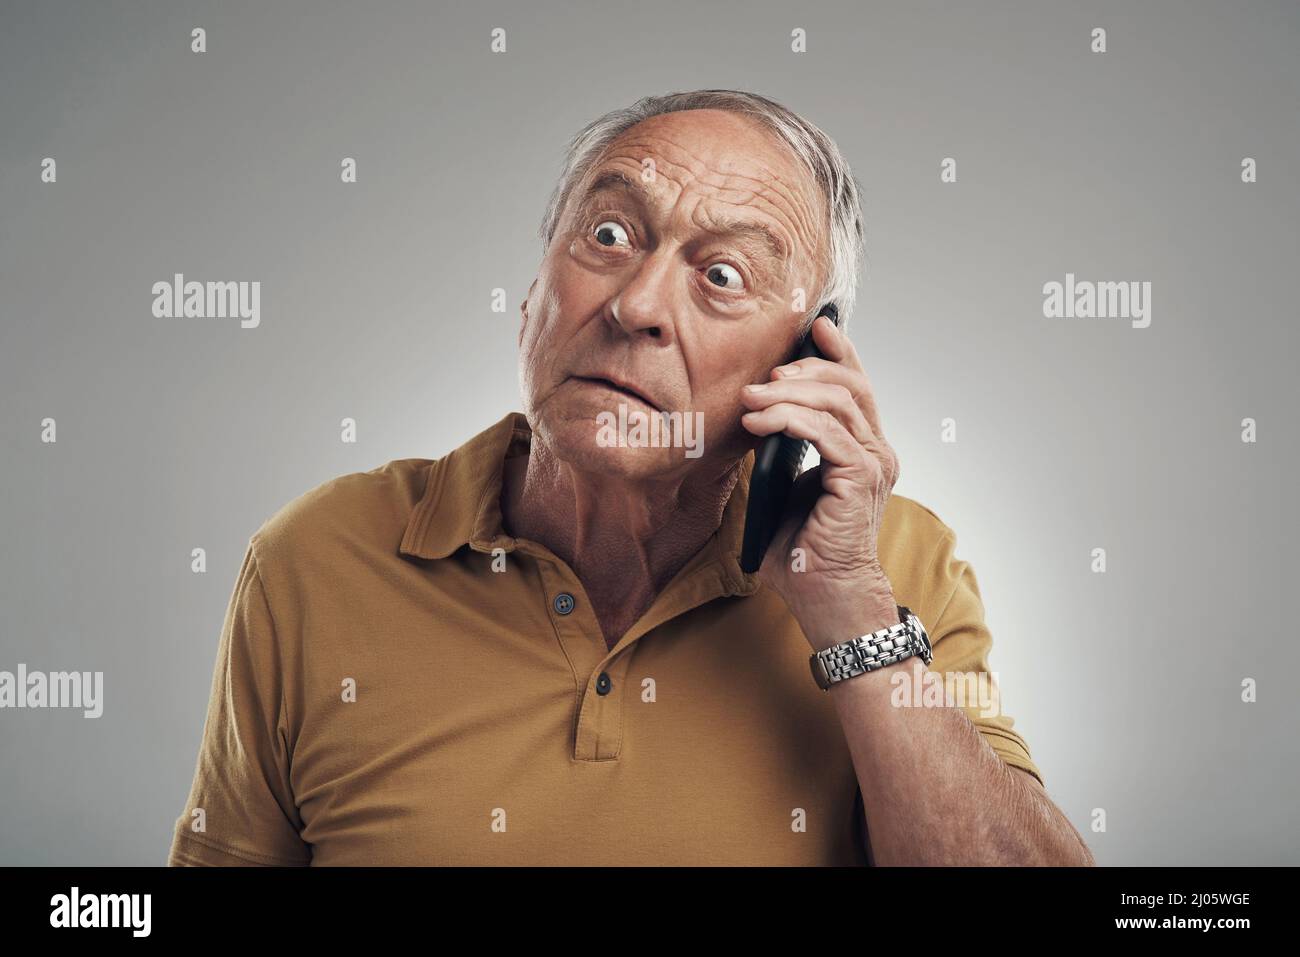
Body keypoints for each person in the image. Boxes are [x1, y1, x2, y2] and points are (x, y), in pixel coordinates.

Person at [168, 89, 1094, 866]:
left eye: (722, 274)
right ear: (534, 293)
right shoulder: (316, 557)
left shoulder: (894, 563)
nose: (638, 304)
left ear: (805, 360)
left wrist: (846, 605)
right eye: (608, 233)